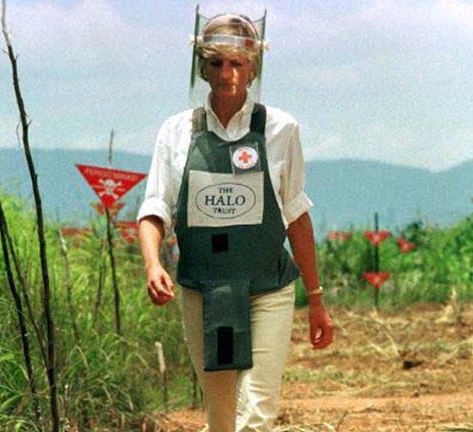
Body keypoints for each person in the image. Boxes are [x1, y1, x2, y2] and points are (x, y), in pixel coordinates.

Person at [137, 11, 334, 432]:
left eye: (237, 64)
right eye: (217, 63)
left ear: (253, 67)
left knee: (258, 410)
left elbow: (297, 216)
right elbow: (154, 208)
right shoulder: (177, 132)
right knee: (221, 417)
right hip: (204, 292)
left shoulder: (281, 129)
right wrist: (153, 265)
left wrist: (316, 300)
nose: (227, 74)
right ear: (202, 67)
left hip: (268, 289)